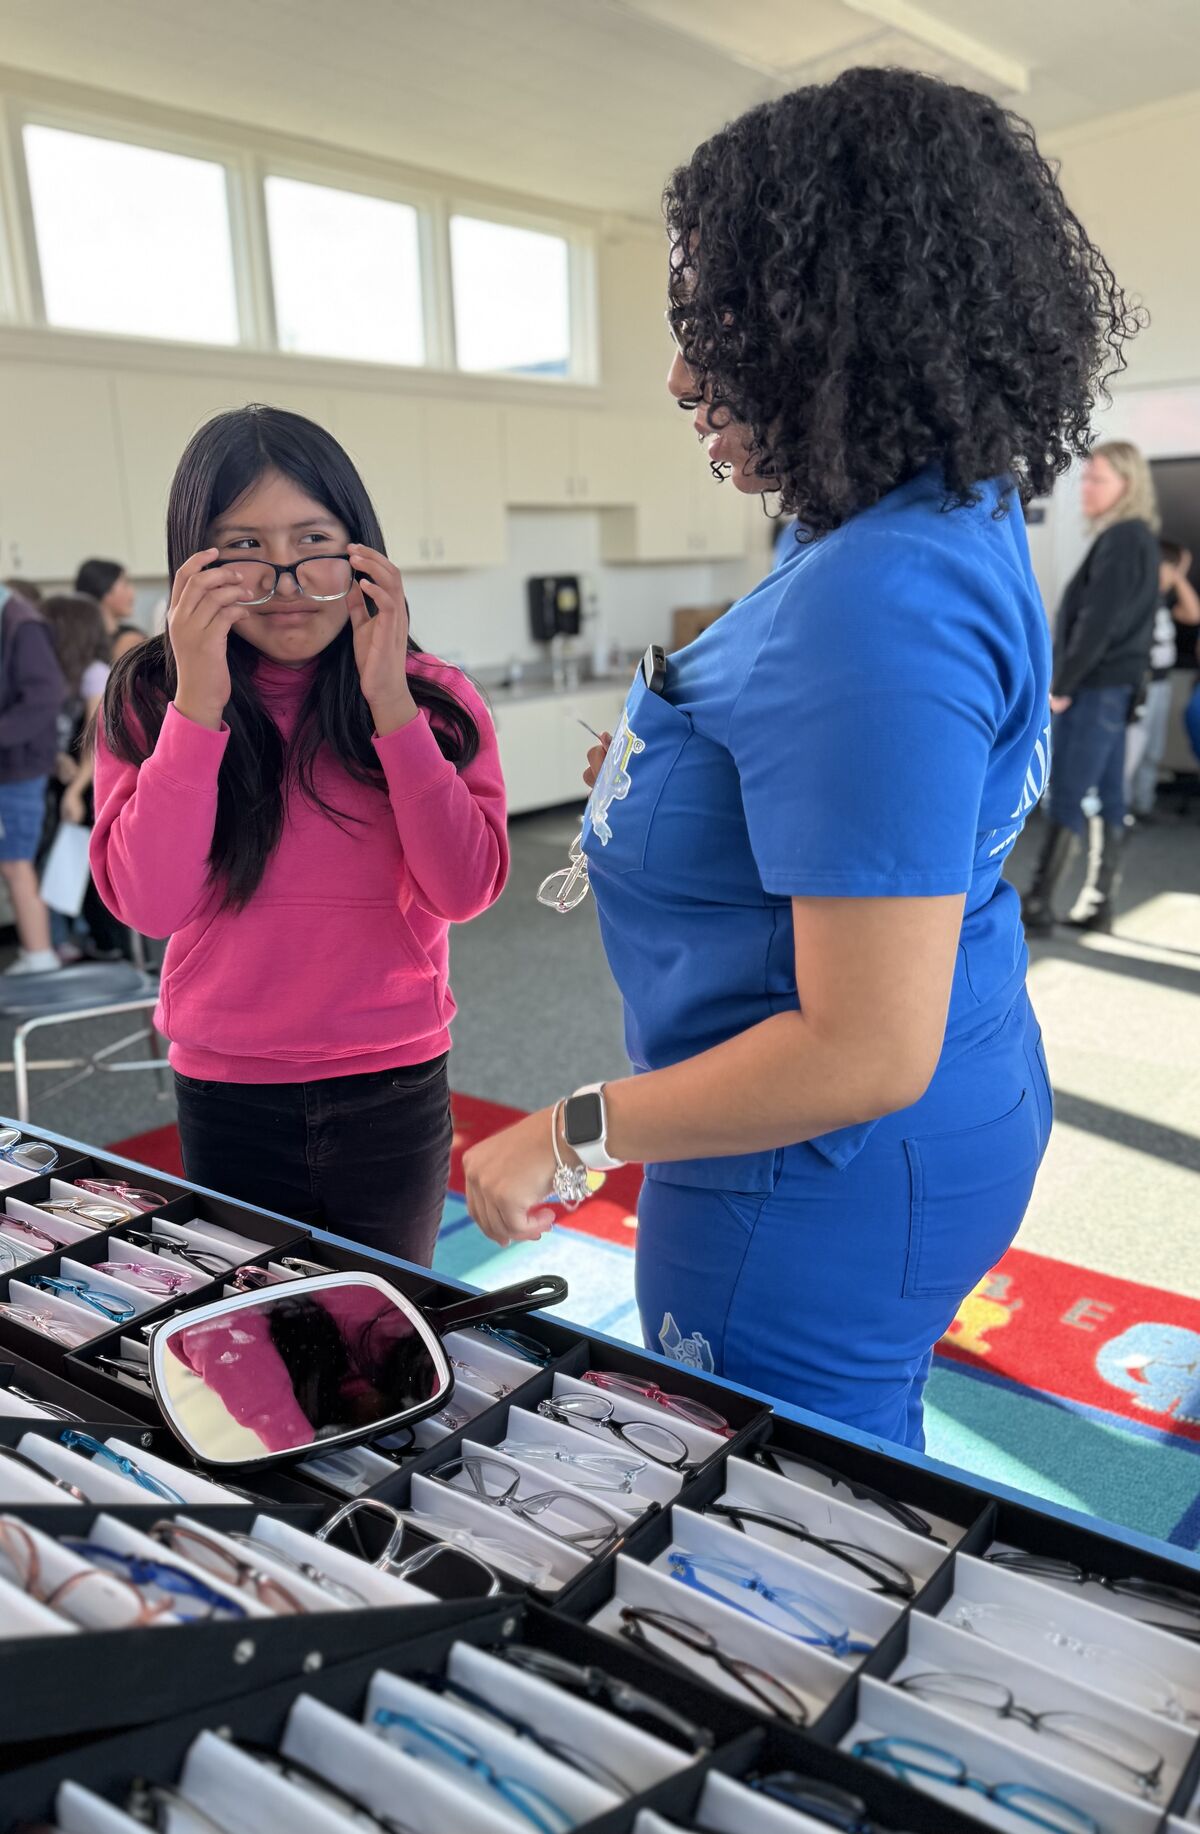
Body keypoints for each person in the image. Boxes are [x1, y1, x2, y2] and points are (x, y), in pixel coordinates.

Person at [462, 66, 1140, 1451]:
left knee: (794, 1516)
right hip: (941, 1082)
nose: (678, 373)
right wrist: (679, 772)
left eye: (720, 320)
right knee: (850, 1459)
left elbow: (861, 1048)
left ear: (848, 319)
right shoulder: (924, 515)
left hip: (812, 1162)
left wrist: (569, 1129)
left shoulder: (873, 594)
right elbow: (881, 777)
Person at [91, 405, 507, 1263]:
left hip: (390, 1086)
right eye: (243, 549)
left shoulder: (433, 699)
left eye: (312, 540)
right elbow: (151, 905)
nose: (283, 582)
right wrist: (197, 704)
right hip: (228, 1090)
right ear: (192, 563)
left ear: (361, 549)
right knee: (246, 1353)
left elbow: (465, 889)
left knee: (385, 1348)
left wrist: (390, 701)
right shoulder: (151, 699)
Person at [1021, 443, 1161, 934]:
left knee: (1068, 794)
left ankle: (1037, 902)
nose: (1086, 489)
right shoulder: (1136, 538)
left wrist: (1063, 684)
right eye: (1086, 479)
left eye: (1097, 480)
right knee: (1105, 797)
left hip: (1096, 689)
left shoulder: (1124, 539)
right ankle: (1099, 903)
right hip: (1114, 688)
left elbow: (1098, 624)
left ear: (1128, 485)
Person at [38, 593, 126, 962]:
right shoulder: (66, 674)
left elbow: (97, 742)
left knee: (94, 867)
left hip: (92, 786)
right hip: (76, 781)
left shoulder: (95, 674)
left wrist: (75, 790)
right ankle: (90, 941)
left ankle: (111, 947)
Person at [0, 582, 67, 976]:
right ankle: (36, 953)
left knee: (14, 863)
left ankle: (40, 956)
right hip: (14, 763)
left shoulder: (21, 623)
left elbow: (44, 697)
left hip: (17, 767)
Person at [1124, 541, 1200, 820]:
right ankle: (1120, 809)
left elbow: (1193, 614)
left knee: (1152, 748)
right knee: (1132, 747)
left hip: (1161, 682)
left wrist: (1178, 576)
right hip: (1139, 683)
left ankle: (1142, 806)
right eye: (1173, 569)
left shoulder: (1163, 601)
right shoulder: (1136, 596)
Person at [73, 559, 145, 663]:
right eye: (125, 585)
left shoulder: (77, 641)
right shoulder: (131, 640)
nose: (132, 593)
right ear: (105, 589)